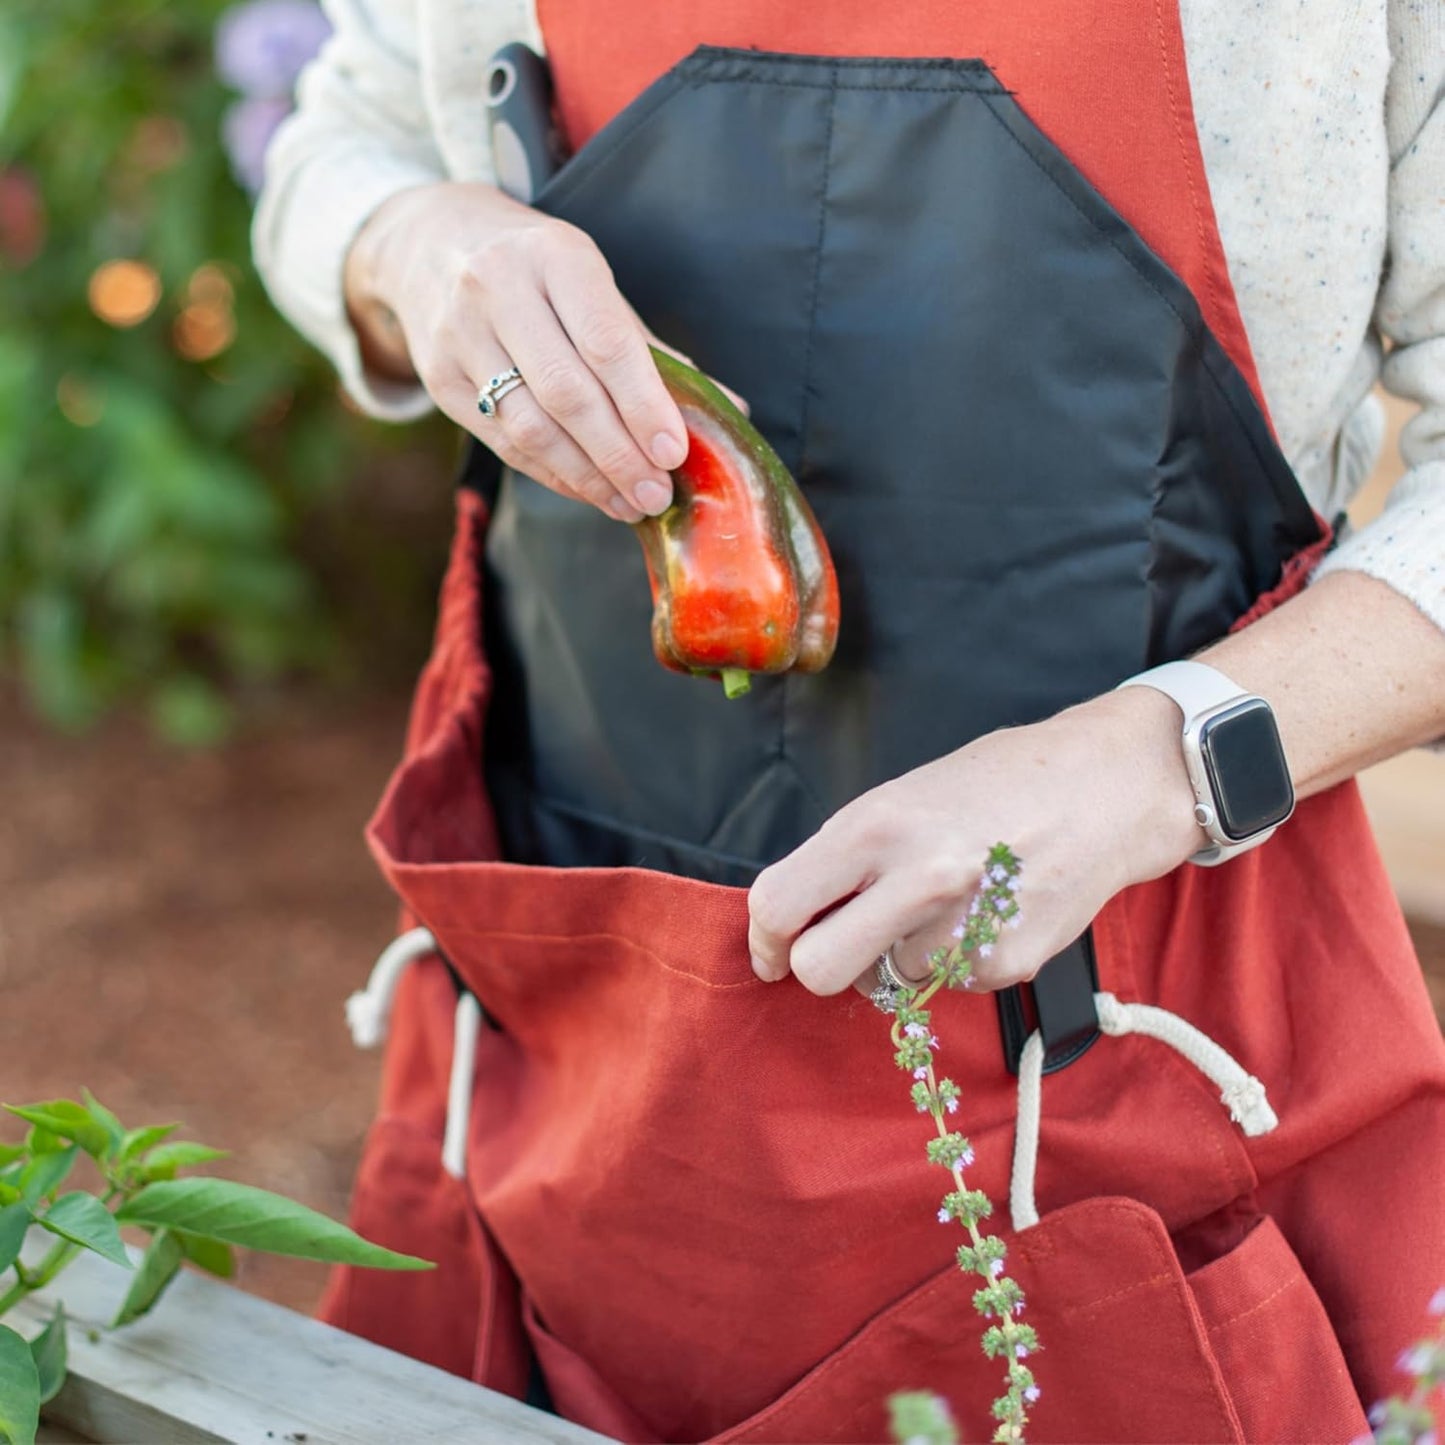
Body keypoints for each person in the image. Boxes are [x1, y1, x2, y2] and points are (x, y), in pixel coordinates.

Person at [254, 3, 1445, 1440]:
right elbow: (345, 136)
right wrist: (412, 244)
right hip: (564, 1058)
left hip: (1136, 1094)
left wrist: (1146, 763)